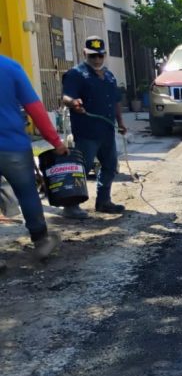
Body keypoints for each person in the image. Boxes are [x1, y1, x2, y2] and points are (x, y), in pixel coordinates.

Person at [0, 46, 68, 269]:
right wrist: (56, 142)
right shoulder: (11, 67)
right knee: (27, 192)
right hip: (14, 147)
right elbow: (35, 109)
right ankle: (41, 241)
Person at [60, 35, 127, 219]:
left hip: (107, 131)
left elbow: (115, 101)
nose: (97, 59)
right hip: (87, 132)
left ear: (104, 55)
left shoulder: (109, 76)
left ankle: (103, 201)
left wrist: (121, 122)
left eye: (100, 55)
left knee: (110, 166)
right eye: (92, 56)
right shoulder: (76, 74)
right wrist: (73, 102)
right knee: (81, 169)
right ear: (84, 54)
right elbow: (65, 97)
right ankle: (71, 206)